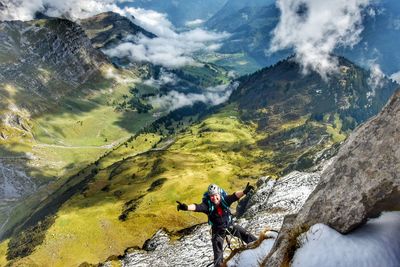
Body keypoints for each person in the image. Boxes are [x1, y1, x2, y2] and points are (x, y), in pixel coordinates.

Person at [176, 183, 257, 267]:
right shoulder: (207, 206)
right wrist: (186, 207)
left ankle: (260, 245)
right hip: (218, 231)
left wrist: (244, 192)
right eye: (212, 196)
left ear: (219, 193)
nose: (214, 198)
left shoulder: (224, 200)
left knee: (247, 235)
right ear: (209, 196)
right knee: (218, 256)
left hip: (230, 225)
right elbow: (197, 207)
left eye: (215, 195)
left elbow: (234, 196)